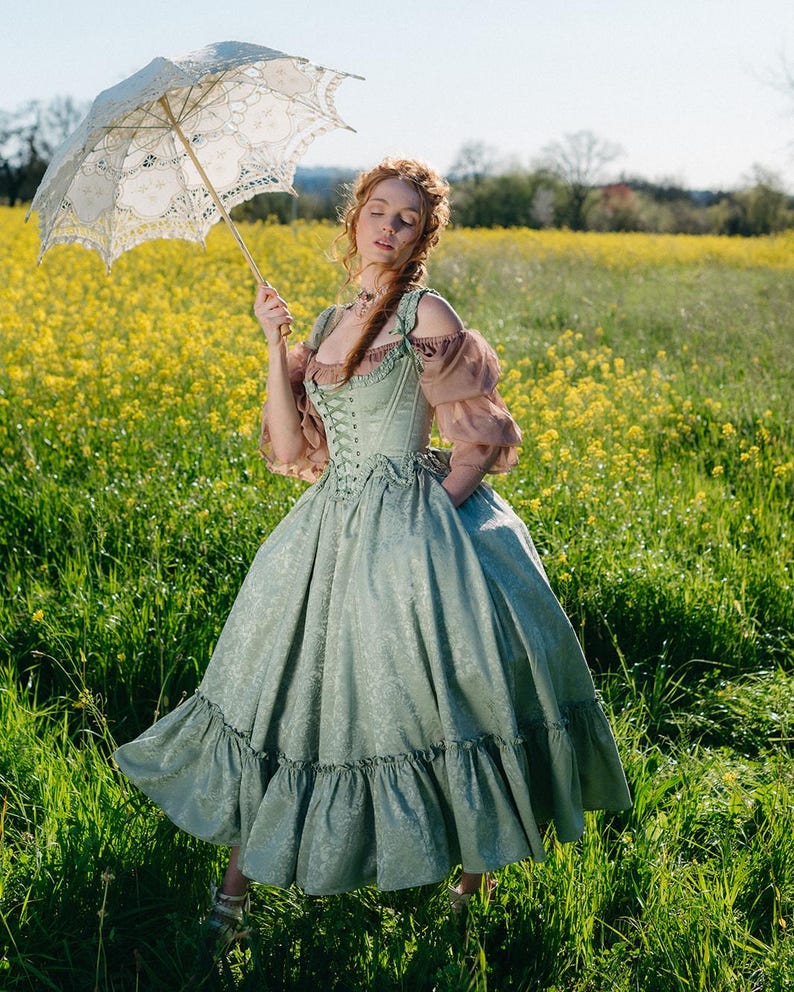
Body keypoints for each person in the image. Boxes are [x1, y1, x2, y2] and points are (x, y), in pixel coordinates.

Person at [114, 157, 631, 942]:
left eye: (408, 219)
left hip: (418, 529)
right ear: (353, 217)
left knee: (454, 699)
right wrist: (271, 341)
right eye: (379, 211)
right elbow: (290, 448)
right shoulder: (322, 325)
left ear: (424, 235)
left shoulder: (426, 313)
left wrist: (426, 527)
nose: (389, 227)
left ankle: (470, 889)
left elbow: (477, 442)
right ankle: (234, 897)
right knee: (285, 699)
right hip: (328, 529)